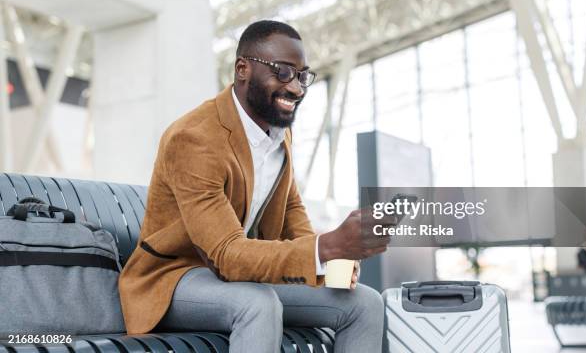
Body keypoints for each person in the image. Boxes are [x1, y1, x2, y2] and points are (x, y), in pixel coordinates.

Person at [118, 20, 390, 353]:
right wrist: (327, 247)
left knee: (365, 303)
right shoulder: (194, 138)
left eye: (303, 75)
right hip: (176, 278)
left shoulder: (279, 135)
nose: (297, 88)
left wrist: (332, 263)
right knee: (257, 304)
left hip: (242, 277)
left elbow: (292, 214)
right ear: (243, 68)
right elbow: (227, 255)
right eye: (283, 72)